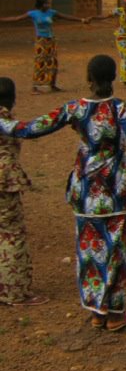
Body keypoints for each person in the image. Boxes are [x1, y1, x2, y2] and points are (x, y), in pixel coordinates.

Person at [0, 55, 126, 329]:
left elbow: (29, 129)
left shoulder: (75, 109)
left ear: (88, 79)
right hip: (114, 192)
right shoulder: (123, 110)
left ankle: (96, 312)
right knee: (114, 253)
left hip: (85, 191)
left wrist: (1, 120)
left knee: (89, 251)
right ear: (113, 78)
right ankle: (114, 314)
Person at [0, 78, 47, 306]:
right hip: (4, 180)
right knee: (12, 233)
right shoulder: (6, 120)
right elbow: (28, 132)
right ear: (11, 100)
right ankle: (15, 292)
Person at [0, 0, 86, 93]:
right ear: (41, 4)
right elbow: (16, 18)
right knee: (40, 62)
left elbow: (66, 17)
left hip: (51, 40)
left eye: (48, 3)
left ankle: (52, 84)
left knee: (53, 62)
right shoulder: (33, 14)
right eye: (46, 3)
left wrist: (81, 20)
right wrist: (2, 19)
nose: (48, 5)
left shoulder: (51, 12)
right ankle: (35, 87)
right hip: (41, 40)